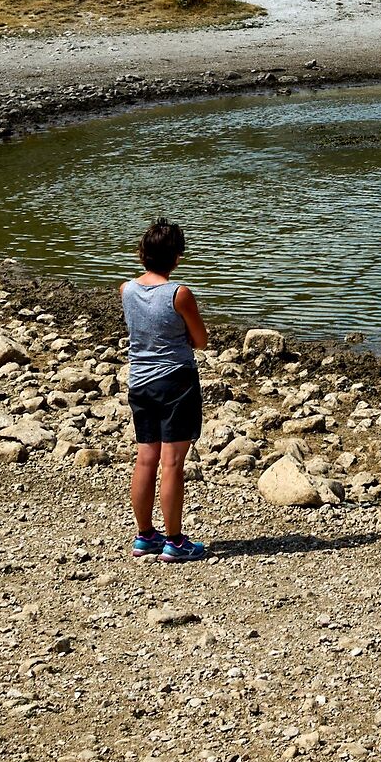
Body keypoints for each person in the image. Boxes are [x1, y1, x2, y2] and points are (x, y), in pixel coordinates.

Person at [122, 218, 209, 562]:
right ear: (177, 257)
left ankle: (145, 536)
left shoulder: (126, 290)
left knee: (146, 458)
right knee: (172, 462)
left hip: (139, 382)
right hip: (175, 382)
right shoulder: (179, 293)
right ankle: (175, 541)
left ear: (142, 255)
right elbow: (200, 340)